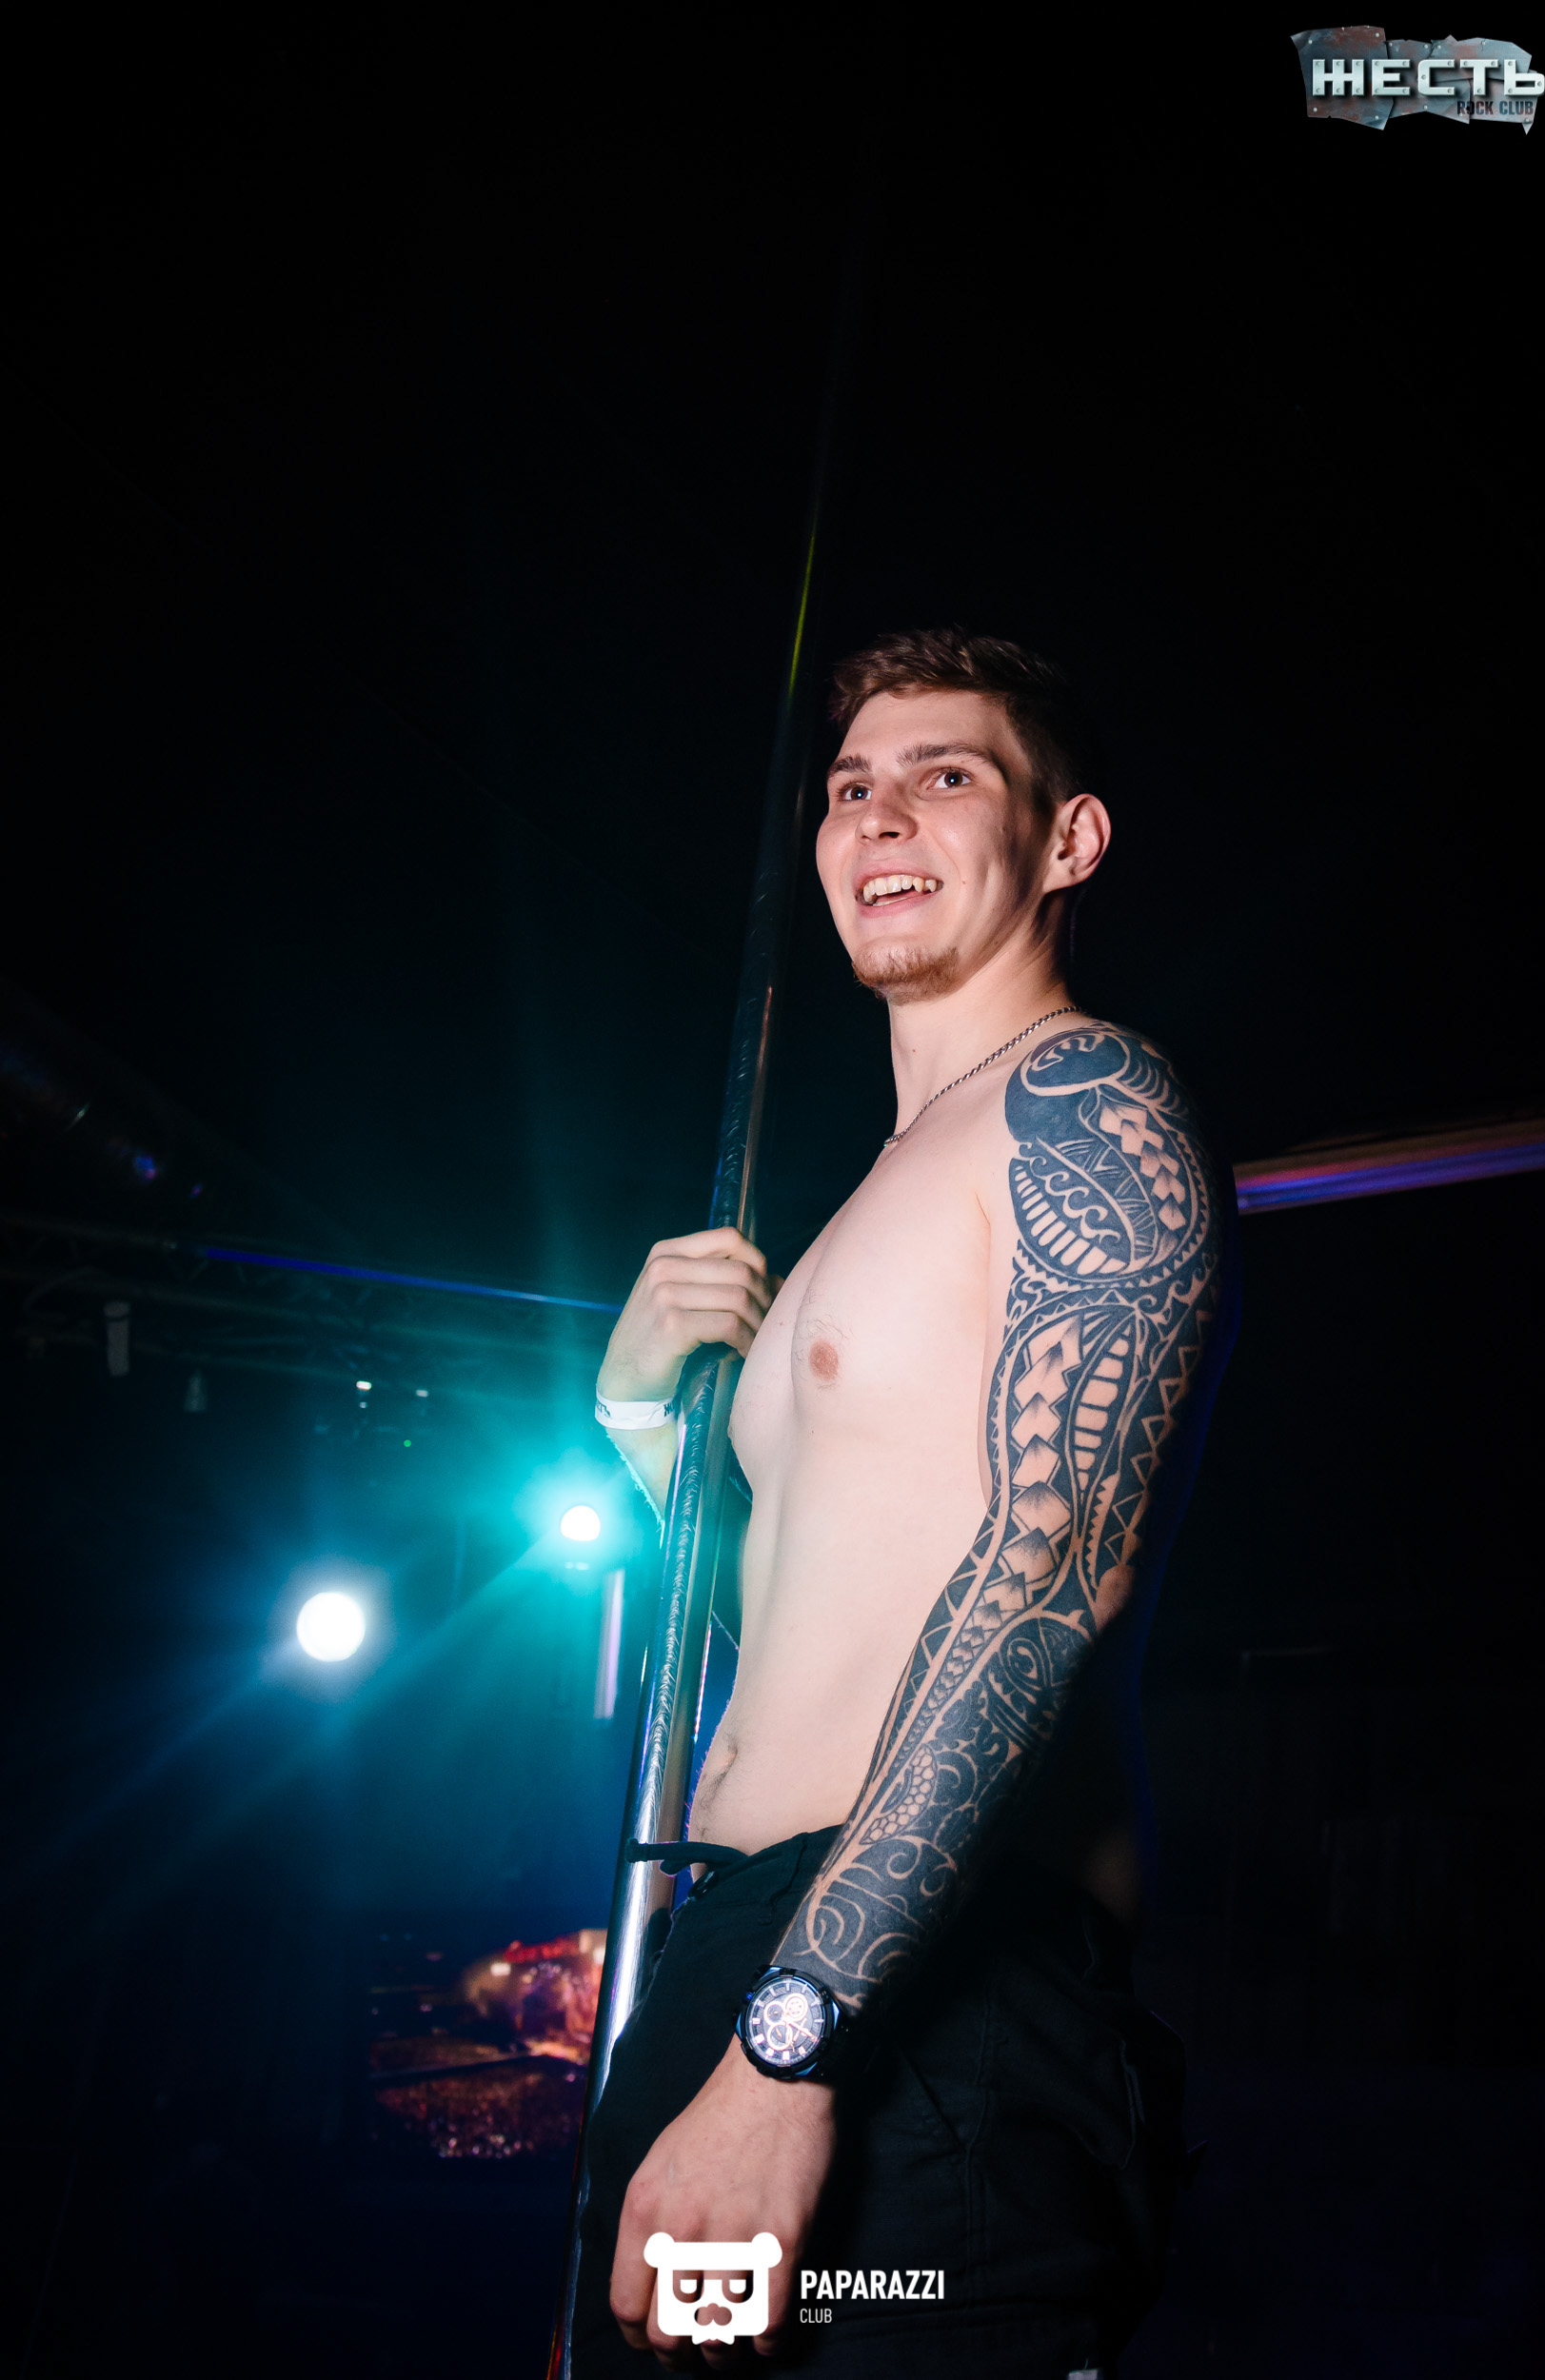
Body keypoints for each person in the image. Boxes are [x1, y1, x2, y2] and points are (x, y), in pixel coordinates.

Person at [574, 630, 1238, 2375]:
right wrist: (638, 1422)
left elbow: (1048, 1584)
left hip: (915, 2008)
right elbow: (797, 1630)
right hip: (749, 1959)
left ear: (1067, 839)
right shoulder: (871, 1198)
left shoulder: (1087, 1107)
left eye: (947, 776)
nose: (880, 814)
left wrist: (787, 2055)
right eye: (851, 786)